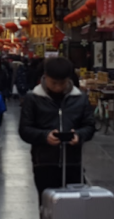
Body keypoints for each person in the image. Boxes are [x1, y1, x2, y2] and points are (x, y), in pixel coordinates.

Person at [18, 57, 96, 200]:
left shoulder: (80, 98)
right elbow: (25, 129)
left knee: (75, 208)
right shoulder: (33, 98)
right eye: (54, 83)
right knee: (48, 208)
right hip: (44, 163)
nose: (58, 87)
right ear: (45, 77)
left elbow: (90, 126)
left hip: (74, 163)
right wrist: (45, 136)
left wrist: (79, 135)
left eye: (62, 83)